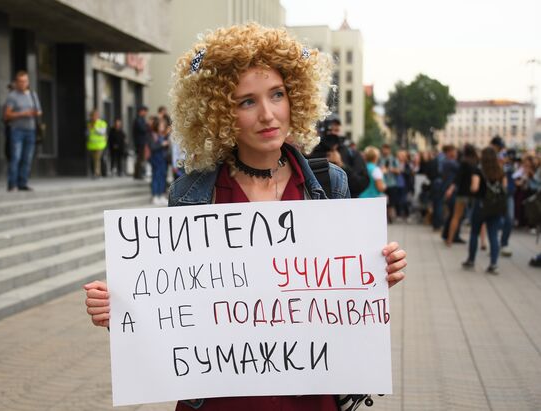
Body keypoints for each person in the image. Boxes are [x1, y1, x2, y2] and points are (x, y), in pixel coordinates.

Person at [84, 23, 406, 411]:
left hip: (308, 396)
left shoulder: (328, 183)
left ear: (296, 98)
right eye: (246, 102)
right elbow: (176, 304)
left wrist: (371, 275)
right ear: (220, 112)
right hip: (222, 398)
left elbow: (337, 299)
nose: (268, 114)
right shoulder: (190, 194)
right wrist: (122, 308)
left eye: (277, 94)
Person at [462, 147, 506, 274]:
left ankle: (471, 260)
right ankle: (493, 263)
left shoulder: (479, 170)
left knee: (475, 233)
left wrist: (471, 188)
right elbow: (504, 188)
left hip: (481, 205)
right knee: (493, 235)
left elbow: (474, 188)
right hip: (496, 207)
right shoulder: (500, 170)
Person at [4, 70, 42, 191]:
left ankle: (23, 183)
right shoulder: (12, 96)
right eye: (20, 81)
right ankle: (12, 184)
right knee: (16, 157)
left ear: (28, 82)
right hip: (17, 131)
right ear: (16, 82)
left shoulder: (32, 95)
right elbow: (6, 115)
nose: (23, 83)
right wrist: (22, 114)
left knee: (27, 158)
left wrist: (35, 113)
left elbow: (40, 111)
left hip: (30, 131)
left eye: (25, 81)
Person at [444, 144, 479, 246]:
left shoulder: (464, 163)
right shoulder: (476, 162)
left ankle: (450, 239)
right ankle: (482, 242)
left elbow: (457, 178)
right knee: (478, 219)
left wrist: (450, 189)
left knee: (456, 216)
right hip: (474, 194)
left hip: (463, 193)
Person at [148, 116, 170, 205]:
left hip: (163, 160)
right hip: (156, 160)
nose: (163, 127)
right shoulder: (152, 135)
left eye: (163, 126)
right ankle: (155, 196)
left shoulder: (162, 135)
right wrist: (162, 144)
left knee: (162, 178)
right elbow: (152, 147)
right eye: (161, 126)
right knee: (156, 178)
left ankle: (161, 195)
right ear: (156, 126)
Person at [86, 109, 108, 178]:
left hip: (100, 145)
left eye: (95, 116)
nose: (93, 117)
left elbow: (102, 132)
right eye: (92, 116)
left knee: (97, 159)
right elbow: (87, 134)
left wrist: (94, 127)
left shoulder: (102, 123)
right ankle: (96, 173)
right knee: (93, 160)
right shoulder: (89, 124)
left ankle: (97, 173)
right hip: (91, 145)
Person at [132, 105, 149, 179]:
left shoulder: (141, 119)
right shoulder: (138, 120)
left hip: (141, 142)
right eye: (145, 111)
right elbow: (143, 129)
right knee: (139, 158)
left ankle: (138, 174)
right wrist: (148, 126)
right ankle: (138, 174)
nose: (145, 113)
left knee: (140, 158)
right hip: (140, 142)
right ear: (141, 111)